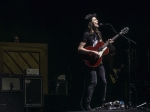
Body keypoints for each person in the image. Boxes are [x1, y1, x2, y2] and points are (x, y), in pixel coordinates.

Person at [78, 13, 113, 111]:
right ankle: (87, 105)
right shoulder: (86, 34)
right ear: (90, 23)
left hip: (99, 61)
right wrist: (91, 52)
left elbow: (101, 47)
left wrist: (107, 44)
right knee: (93, 82)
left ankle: (102, 103)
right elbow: (80, 49)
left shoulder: (99, 34)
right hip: (91, 61)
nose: (97, 21)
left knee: (104, 82)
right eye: (95, 20)